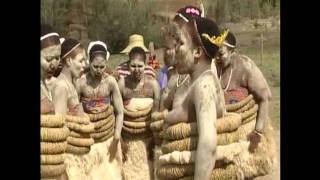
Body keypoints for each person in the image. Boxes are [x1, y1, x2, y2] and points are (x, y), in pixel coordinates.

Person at [163, 17, 227, 180]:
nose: (175, 49)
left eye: (182, 43)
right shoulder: (198, 83)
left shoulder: (203, 86)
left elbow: (208, 144)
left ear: (197, 52)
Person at [214, 31, 272, 151]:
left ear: (232, 52)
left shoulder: (245, 66)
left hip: (245, 134)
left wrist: (258, 132)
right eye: (215, 54)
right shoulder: (213, 68)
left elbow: (265, 97)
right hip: (219, 132)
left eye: (221, 54)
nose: (217, 58)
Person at [77, 40, 123, 179]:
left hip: (108, 139)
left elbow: (120, 112)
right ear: (89, 63)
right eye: (95, 66)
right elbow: (74, 111)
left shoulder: (110, 82)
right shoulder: (81, 83)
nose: (99, 70)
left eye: (102, 66)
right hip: (89, 141)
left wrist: (116, 138)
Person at [118, 47, 161, 180]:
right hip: (127, 141)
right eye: (133, 66)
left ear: (145, 65)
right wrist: (120, 140)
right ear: (128, 65)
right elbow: (116, 113)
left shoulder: (153, 85)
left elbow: (156, 115)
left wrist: (155, 139)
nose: (137, 69)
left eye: (140, 66)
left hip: (147, 141)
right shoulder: (122, 84)